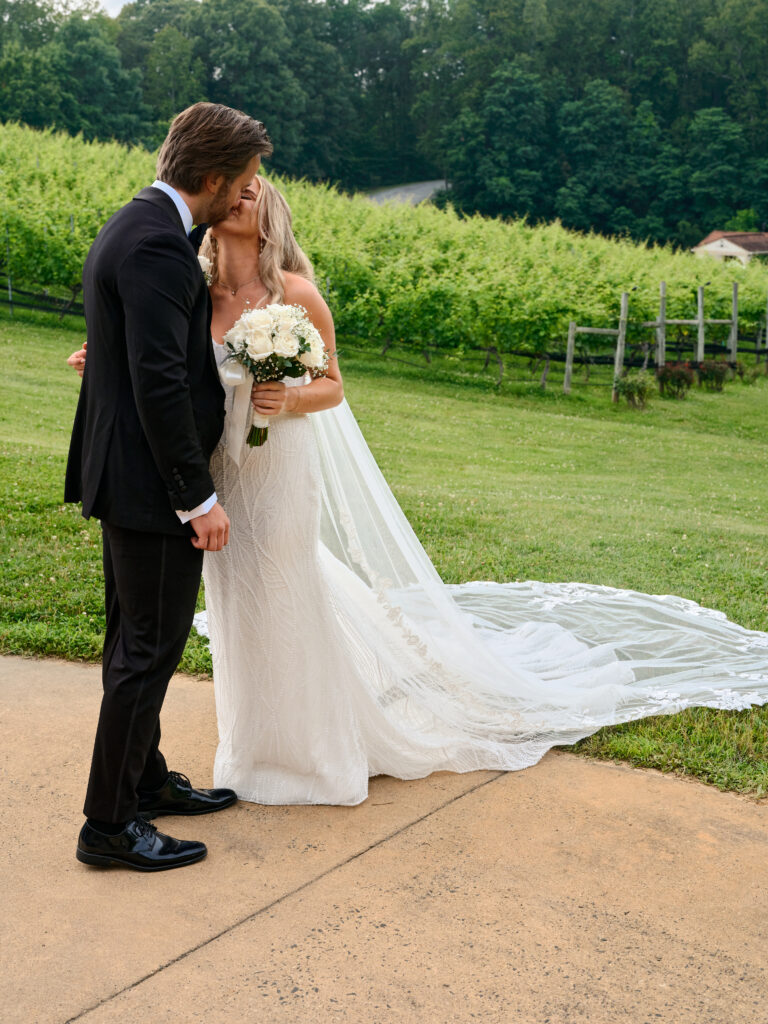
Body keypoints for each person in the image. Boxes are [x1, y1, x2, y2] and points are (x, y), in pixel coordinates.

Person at [72, 179, 768, 810]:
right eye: (237, 187)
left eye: (257, 189)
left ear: (269, 218)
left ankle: (311, 756)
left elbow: (335, 387)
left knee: (285, 597)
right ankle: (251, 751)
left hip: (277, 474)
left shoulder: (296, 295)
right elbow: (157, 360)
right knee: (236, 609)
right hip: (220, 477)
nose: (243, 194)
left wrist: (284, 400)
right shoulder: (192, 292)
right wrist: (102, 357)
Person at [64, 103, 272, 871]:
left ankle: (144, 781)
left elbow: (137, 354)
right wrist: (198, 498)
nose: (246, 195)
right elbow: (158, 385)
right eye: (244, 182)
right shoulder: (157, 247)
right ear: (213, 178)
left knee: (133, 644)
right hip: (153, 490)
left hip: (124, 478)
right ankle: (110, 827)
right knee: (146, 654)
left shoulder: (137, 225)